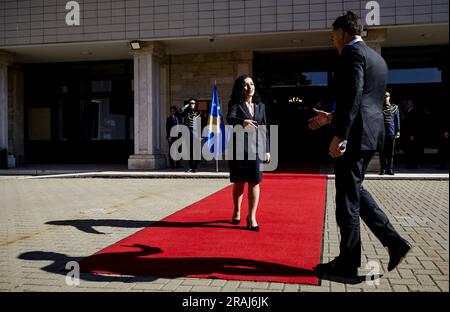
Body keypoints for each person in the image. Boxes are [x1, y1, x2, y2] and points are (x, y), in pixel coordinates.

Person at [307, 11, 412, 277]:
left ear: (342, 32)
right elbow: (364, 101)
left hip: (355, 136)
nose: (333, 42)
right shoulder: (377, 59)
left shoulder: (352, 55)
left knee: (346, 200)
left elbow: (353, 97)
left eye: (333, 36)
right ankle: (395, 243)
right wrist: (330, 118)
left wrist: (339, 134)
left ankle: (349, 261)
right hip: (371, 135)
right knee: (354, 191)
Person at [226, 75, 270, 231]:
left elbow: (264, 128)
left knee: (255, 181)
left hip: (256, 149)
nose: (250, 87)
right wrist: (242, 121)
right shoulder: (235, 104)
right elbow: (229, 118)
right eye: (246, 85)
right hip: (238, 149)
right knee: (239, 182)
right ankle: (236, 210)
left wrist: (267, 150)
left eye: (252, 84)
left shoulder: (261, 106)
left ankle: (251, 217)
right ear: (240, 88)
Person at [379, 92, 401, 175]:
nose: (385, 98)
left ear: (389, 97)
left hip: (391, 132)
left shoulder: (395, 107)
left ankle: (390, 169)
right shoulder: (379, 107)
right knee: (382, 152)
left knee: (390, 153)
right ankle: (382, 169)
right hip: (381, 133)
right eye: (384, 96)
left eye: (387, 96)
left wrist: (397, 131)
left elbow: (397, 120)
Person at [180, 98, 201, 173]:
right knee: (190, 152)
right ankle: (192, 167)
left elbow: (202, 124)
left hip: (196, 134)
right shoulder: (186, 112)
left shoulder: (199, 113)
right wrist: (185, 106)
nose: (192, 104)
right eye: (190, 103)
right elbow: (179, 112)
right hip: (188, 133)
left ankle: (195, 167)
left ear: (196, 104)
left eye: (193, 103)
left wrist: (201, 135)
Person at [402, 100, 421, 169]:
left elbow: (414, 124)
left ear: (412, 104)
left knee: (412, 150)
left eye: (409, 103)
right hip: (408, 133)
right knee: (408, 149)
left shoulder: (414, 111)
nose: (407, 104)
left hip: (411, 134)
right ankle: (409, 163)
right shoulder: (408, 111)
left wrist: (412, 134)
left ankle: (412, 164)